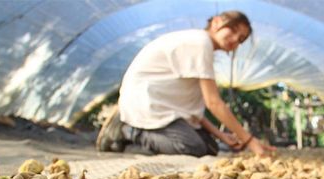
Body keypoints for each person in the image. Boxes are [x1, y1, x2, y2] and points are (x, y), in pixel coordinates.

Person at [96, 10, 276, 157]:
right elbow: (213, 103)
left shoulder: (201, 48)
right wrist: (249, 140)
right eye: (234, 30)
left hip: (165, 108)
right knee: (191, 147)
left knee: (210, 148)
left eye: (241, 39)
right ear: (216, 22)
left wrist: (220, 135)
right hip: (146, 104)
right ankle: (128, 130)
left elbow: (192, 109)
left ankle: (140, 131)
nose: (236, 39)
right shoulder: (200, 43)